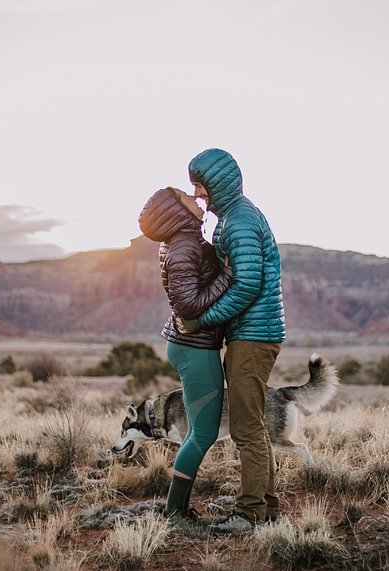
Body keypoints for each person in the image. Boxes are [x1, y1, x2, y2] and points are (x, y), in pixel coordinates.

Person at [179, 148, 286, 535]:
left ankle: (250, 514)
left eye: (201, 185)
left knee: (245, 429)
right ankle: (266, 509)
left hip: (254, 337)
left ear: (218, 182)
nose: (198, 194)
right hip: (252, 335)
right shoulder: (235, 216)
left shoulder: (239, 221)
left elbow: (246, 285)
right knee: (253, 424)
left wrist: (202, 319)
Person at [138, 186, 232, 530]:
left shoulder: (185, 240)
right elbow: (188, 306)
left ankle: (176, 509)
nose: (196, 198)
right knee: (203, 434)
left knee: (201, 430)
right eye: (184, 196)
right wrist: (228, 276)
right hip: (195, 347)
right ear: (174, 211)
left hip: (194, 344)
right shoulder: (183, 246)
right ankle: (175, 511)